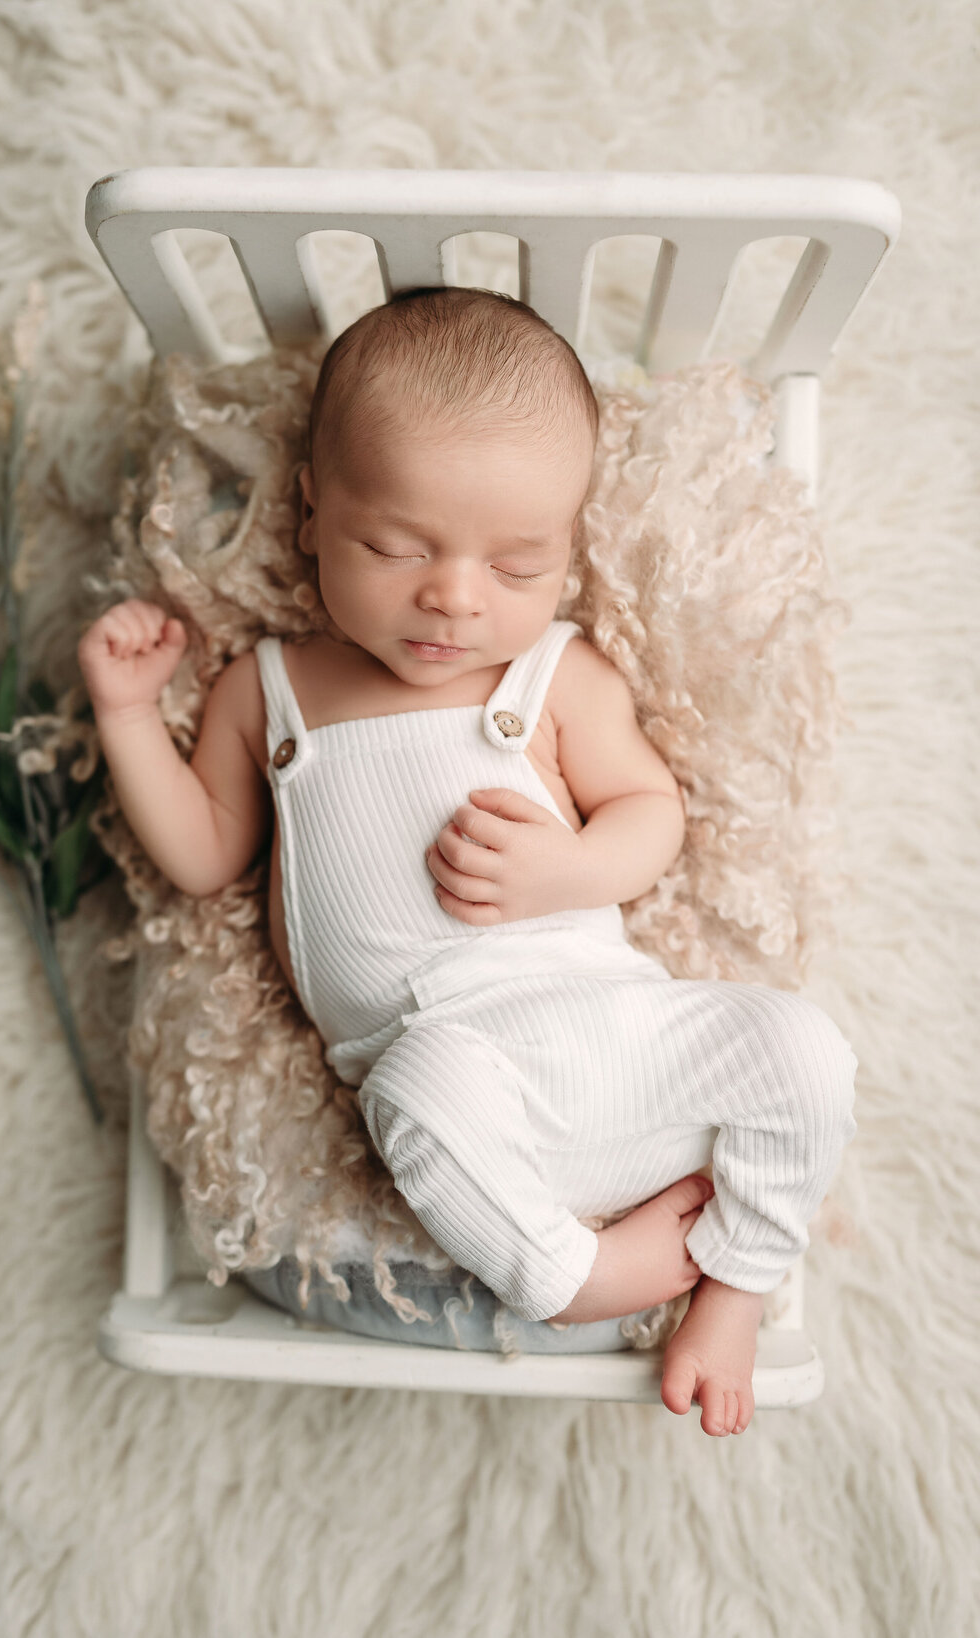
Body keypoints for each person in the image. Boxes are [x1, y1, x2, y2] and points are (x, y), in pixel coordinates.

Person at [78, 286, 858, 1437]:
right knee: (418, 1089)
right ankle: (575, 1278)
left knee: (804, 1050)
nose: (453, 593)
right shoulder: (271, 689)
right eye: (395, 545)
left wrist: (571, 869)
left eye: (518, 563)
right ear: (310, 512)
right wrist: (130, 717)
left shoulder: (554, 676)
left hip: (617, 1034)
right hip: (448, 1077)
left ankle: (735, 1283)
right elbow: (205, 856)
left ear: (566, 553)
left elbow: (654, 813)